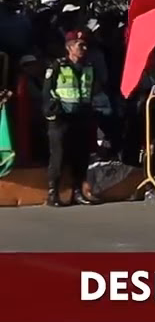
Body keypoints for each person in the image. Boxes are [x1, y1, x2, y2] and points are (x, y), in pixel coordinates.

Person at [43, 30, 103, 207]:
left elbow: (93, 89)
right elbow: (47, 93)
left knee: (81, 156)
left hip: (81, 117)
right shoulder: (57, 66)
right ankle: (53, 194)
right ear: (69, 48)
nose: (84, 48)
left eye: (85, 45)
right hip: (61, 118)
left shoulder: (89, 67)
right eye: (80, 45)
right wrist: (53, 111)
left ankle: (77, 192)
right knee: (59, 157)